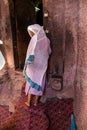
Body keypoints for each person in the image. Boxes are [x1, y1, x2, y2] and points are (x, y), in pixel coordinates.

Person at [23, 24, 51, 106]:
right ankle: (36, 102)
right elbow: (49, 52)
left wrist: (28, 62)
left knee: (31, 83)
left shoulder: (35, 39)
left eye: (32, 32)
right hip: (42, 65)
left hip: (33, 65)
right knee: (39, 81)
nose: (32, 34)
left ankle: (28, 102)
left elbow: (30, 53)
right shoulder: (47, 40)